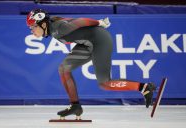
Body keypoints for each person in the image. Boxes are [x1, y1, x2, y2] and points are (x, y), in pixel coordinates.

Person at [26, 9, 156, 119]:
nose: (31, 31)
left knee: (105, 84)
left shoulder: (59, 28)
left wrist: (99, 22)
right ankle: (75, 106)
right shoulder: (53, 26)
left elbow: (81, 21)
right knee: (63, 68)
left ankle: (143, 87)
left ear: (43, 25)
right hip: (86, 44)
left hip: (100, 41)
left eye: (32, 27)